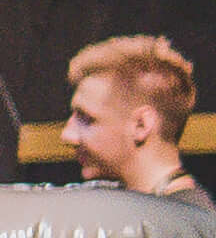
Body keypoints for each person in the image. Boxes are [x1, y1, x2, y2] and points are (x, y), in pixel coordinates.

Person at [64, 34, 212, 209]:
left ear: (141, 125)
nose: (67, 136)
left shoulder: (179, 220)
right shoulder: (180, 213)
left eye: (86, 119)